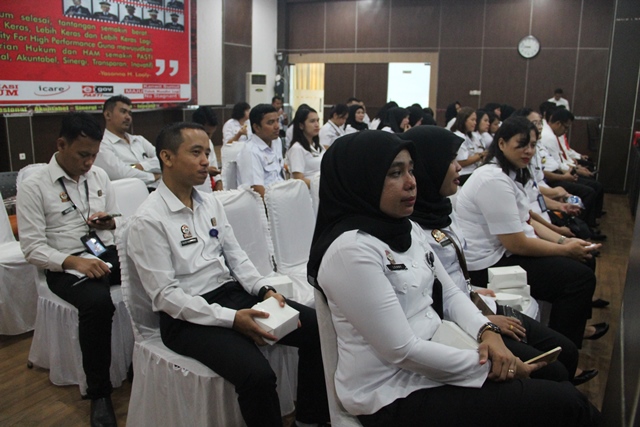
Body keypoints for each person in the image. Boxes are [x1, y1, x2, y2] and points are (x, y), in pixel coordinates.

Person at [306, 130, 600, 427]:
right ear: (361, 181)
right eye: (395, 173)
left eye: (411, 170)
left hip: (440, 352)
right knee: (567, 404)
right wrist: (490, 365)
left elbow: (451, 292)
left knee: (555, 378)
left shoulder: (406, 228)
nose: (411, 182)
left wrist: (487, 333)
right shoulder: (351, 251)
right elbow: (402, 351)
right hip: (393, 392)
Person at [127, 122, 329, 427]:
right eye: (196, 152)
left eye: (207, 152)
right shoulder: (148, 219)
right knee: (258, 375)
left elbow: (237, 257)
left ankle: (309, 420)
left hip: (230, 295)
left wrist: (263, 290)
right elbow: (166, 296)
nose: (207, 160)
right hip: (185, 319)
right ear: (167, 158)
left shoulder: (208, 202)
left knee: (317, 330)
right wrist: (232, 320)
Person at [401, 125, 599, 385]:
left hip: (471, 301)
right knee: (554, 370)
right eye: (450, 160)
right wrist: (482, 321)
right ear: (431, 166)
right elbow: (427, 303)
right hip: (459, 317)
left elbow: (451, 278)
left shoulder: (442, 209)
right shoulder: (411, 228)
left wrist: (470, 291)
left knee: (566, 351)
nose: (459, 166)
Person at [455, 117, 604, 349]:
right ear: (502, 143)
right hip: (487, 264)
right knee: (578, 279)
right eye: (522, 144)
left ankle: (570, 336)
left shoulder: (512, 173)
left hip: (504, 251)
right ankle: (563, 353)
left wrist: (564, 240)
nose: (529, 151)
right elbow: (517, 244)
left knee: (584, 261)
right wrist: (564, 250)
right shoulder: (493, 179)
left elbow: (527, 219)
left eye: (533, 145)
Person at [17, 112, 121, 427]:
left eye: (94, 155)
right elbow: (32, 248)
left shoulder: (99, 176)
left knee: (149, 272)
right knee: (97, 303)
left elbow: (115, 223)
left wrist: (110, 221)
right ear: (61, 144)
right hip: (63, 262)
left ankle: (143, 359)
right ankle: (99, 393)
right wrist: (75, 262)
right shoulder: (34, 186)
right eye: (82, 154)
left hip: (102, 250)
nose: (89, 162)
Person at [94, 95, 161, 189]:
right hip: (129, 197)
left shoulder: (139, 140)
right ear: (108, 115)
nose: (128, 117)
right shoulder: (102, 144)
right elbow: (121, 174)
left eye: (130, 114)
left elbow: (163, 160)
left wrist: (141, 166)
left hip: (158, 191)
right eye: (123, 112)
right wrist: (154, 176)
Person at [237, 104, 285, 197]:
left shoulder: (276, 141)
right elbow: (257, 192)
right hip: (268, 205)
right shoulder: (250, 151)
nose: (277, 126)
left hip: (282, 196)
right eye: (271, 122)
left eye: (277, 121)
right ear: (257, 127)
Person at [286, 107, 323, 187]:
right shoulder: (297, 148)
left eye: (317, 121)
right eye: (312, 121)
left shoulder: (318, 146)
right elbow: (299, 179)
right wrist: (321, 187)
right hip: (309, 193)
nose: (317, 125)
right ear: (301, 125)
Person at [221, 101, 252, 188]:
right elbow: (227, 143)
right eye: (247, 111)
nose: (249, 113)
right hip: (232, 156)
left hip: (245, 154)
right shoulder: (229, 124)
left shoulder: (249, 123)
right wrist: (239, 134)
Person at [192, 106, 222, 191]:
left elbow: (215, 169)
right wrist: (207, 170)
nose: (209, 137)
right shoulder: (185, 144)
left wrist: (219, 184)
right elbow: (182, 170)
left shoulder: (208, 142)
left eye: (212, 134)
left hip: (208, 193)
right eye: (207, 133)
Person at [453, 107, 486, 185]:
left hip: (473, 171)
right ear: (464, 120)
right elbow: (461, 162)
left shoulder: (470, 136)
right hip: (464, 174)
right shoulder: (458, 136)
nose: (475, 123)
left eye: (476, 120)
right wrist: (481, 155)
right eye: (472, 120)